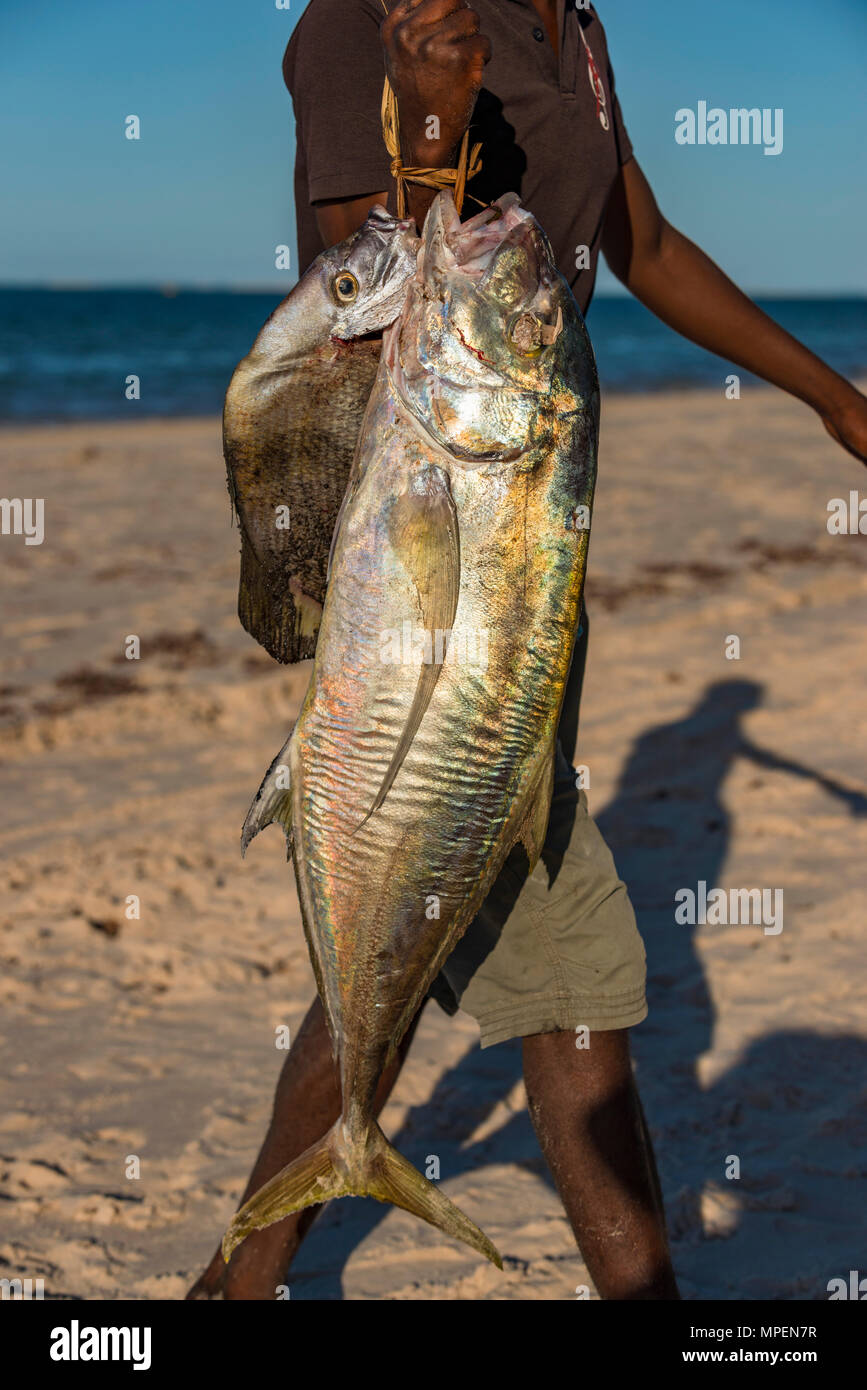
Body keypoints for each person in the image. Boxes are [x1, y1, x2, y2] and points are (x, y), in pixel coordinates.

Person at [189, 0, 867, 1301]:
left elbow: (645, 241)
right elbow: (359, 275)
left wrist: (832, 395)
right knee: (560, 953)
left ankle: (238, 1279)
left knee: (413, 908)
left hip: (529, 539)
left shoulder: (577, 28)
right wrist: (434, 119)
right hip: (423, 561)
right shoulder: (378, 18)